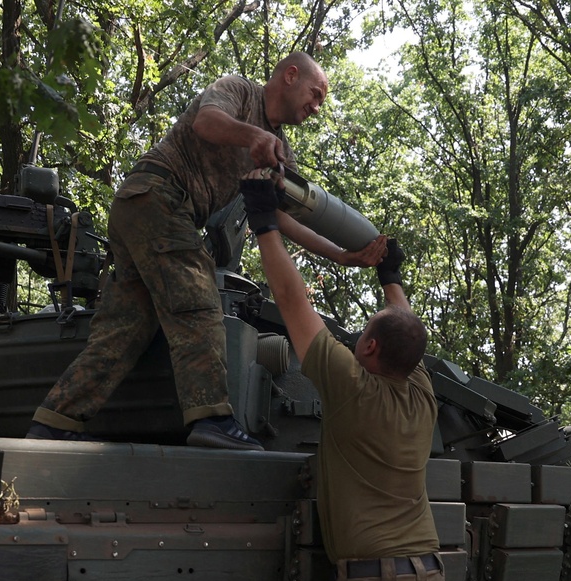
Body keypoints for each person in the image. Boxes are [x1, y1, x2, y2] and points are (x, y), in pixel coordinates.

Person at [26, 52, 385, 450]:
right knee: (200, 300)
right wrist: (253, 136)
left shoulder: (279, 148)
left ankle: (55, 420)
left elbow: (279, 217)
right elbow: (205, 122)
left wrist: (341, 255)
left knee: (125, 330)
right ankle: (212, 419)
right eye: (315, 95)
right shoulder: (238, 91)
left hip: (151, 212)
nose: (316, 108)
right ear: (290, 75)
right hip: (156, 196)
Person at [238, 175, 461, 581]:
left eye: (361, 336)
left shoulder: (352, 390)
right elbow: (405, 331)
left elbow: (293, 302)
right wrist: (392, 279)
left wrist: (265, 224)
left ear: (366, 350)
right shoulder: (421, 393)